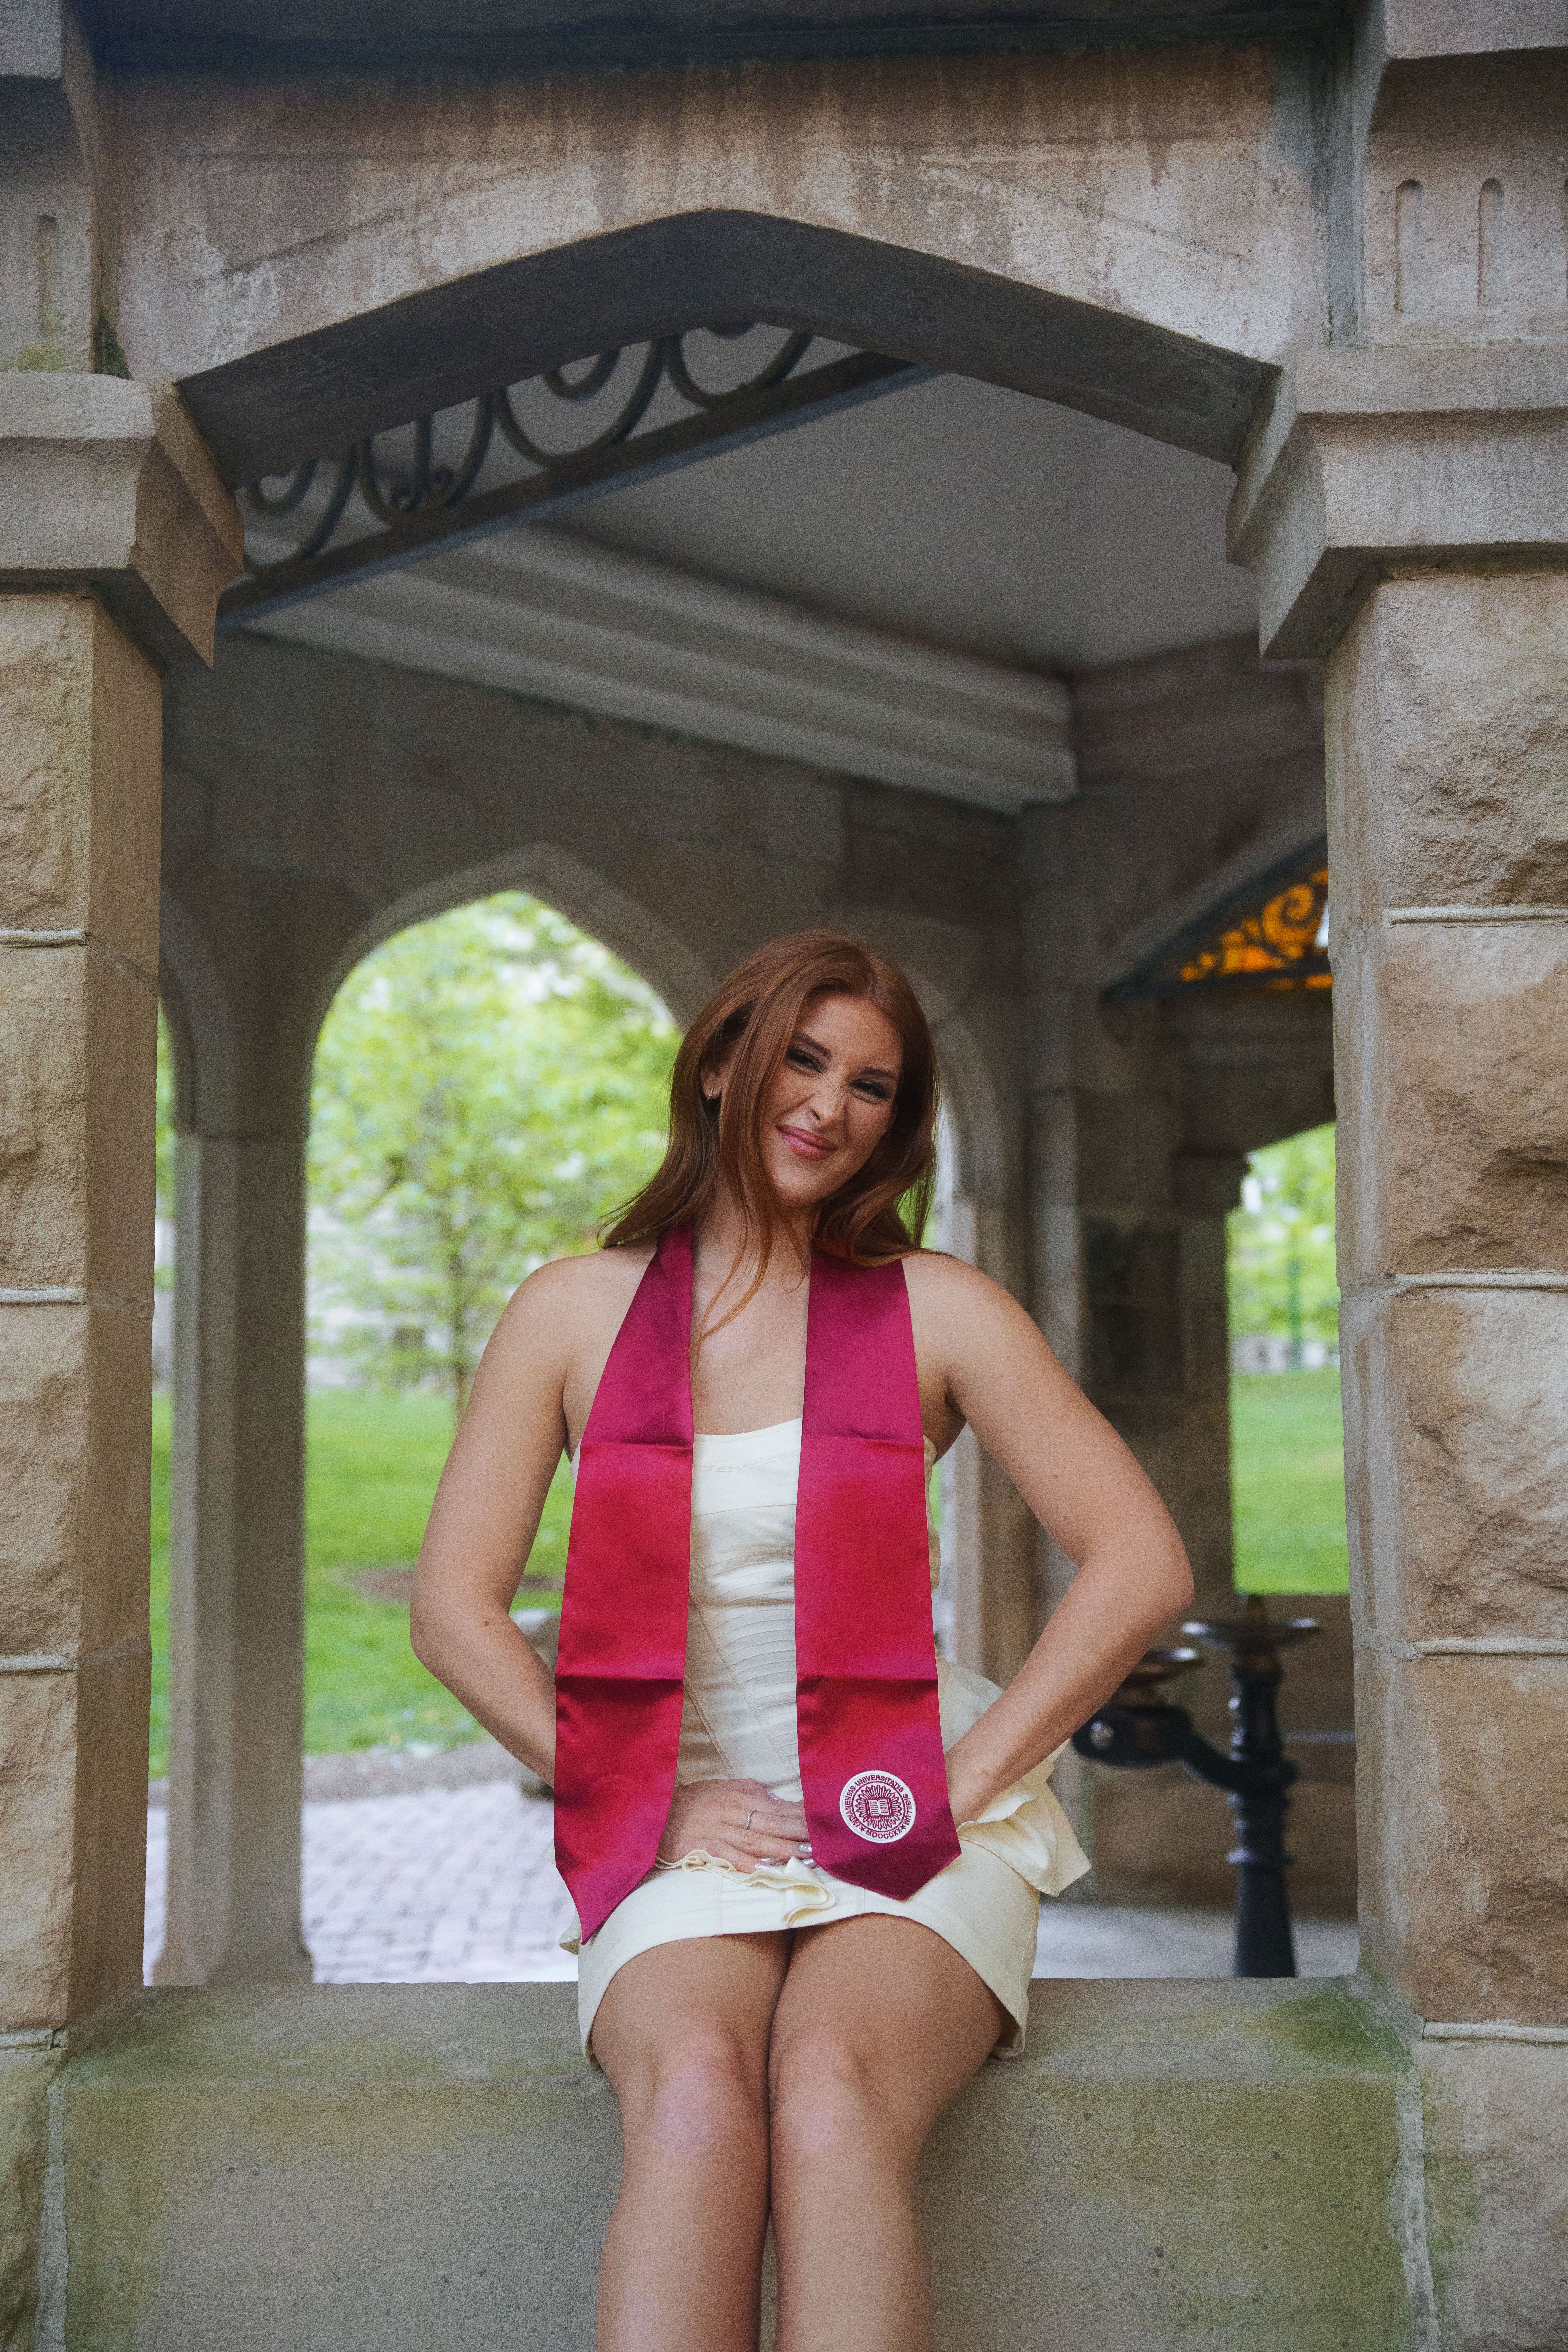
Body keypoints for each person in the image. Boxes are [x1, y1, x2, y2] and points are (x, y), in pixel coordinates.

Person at [411, 929, 1193, 2352]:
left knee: (829, 2084)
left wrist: (961, 1783)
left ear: (899, 1124)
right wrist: (641, 1797)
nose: (831, 1105)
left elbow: (1141, 1563)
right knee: (702, 2092)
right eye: (804, 1060)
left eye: (875, 1086)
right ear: (722, 1065)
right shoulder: (570, 1314)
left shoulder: (938, 1309)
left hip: (908, 1791)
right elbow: (453, 1613)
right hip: (680, 1809)